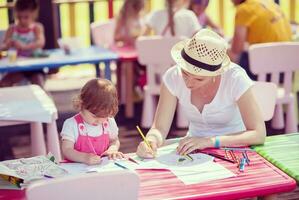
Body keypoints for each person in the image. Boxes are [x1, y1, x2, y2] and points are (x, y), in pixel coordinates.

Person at [136, 29, 266, 158]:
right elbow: (159, 128)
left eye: (199, 79)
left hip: (235, 149)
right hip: (194, 149)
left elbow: (258, 133)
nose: (189, 83)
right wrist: (151, 140)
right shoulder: (173, 76)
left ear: (216, 73)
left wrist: (210, 142)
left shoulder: (234, 78)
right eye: (185, 73)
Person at [61, 78, 124, 165]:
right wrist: (84, 158)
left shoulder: (109, 122)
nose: (99, 120)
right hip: (77, 171)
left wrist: (112, 149)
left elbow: (114, 140)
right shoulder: (72, 124)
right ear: (82, 104)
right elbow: (67, 149)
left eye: (104, 116)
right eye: (94, 116)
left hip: (102, 171)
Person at [228, 0, 292, 79]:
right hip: (287, 71)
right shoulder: (269, 2)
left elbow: (236, 50)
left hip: (265, 74)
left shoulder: (244, 9)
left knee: (234, 59)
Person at [0, 0, 46, 87]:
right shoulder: (12, 29)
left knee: (38, 82)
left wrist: (25, 47)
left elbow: (41, 42)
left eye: (26, 17)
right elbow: (3, 46)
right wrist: (7, 44)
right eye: (19, 17)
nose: (22, 20)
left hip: (34, 66)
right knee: (3, 83)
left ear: (33, 14)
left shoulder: (36, 28)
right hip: (17, 66)